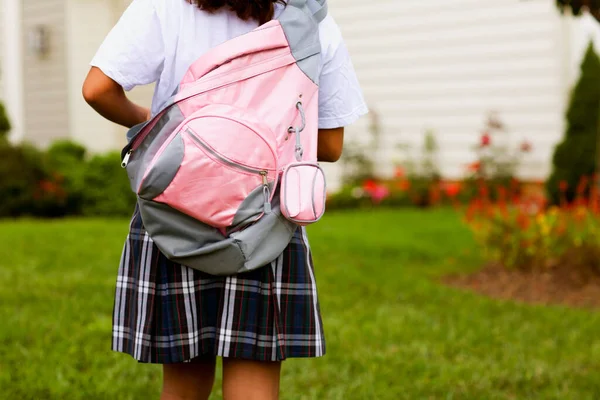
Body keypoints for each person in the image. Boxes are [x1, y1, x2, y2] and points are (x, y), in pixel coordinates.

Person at [83, 0, 367, 399]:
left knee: (182, 385)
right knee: (255, 382)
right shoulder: (310, 20)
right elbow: (331, 144)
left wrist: (165, 126)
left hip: (173, 208)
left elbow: (97, 90)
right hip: (264, 219)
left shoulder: (163, 7)